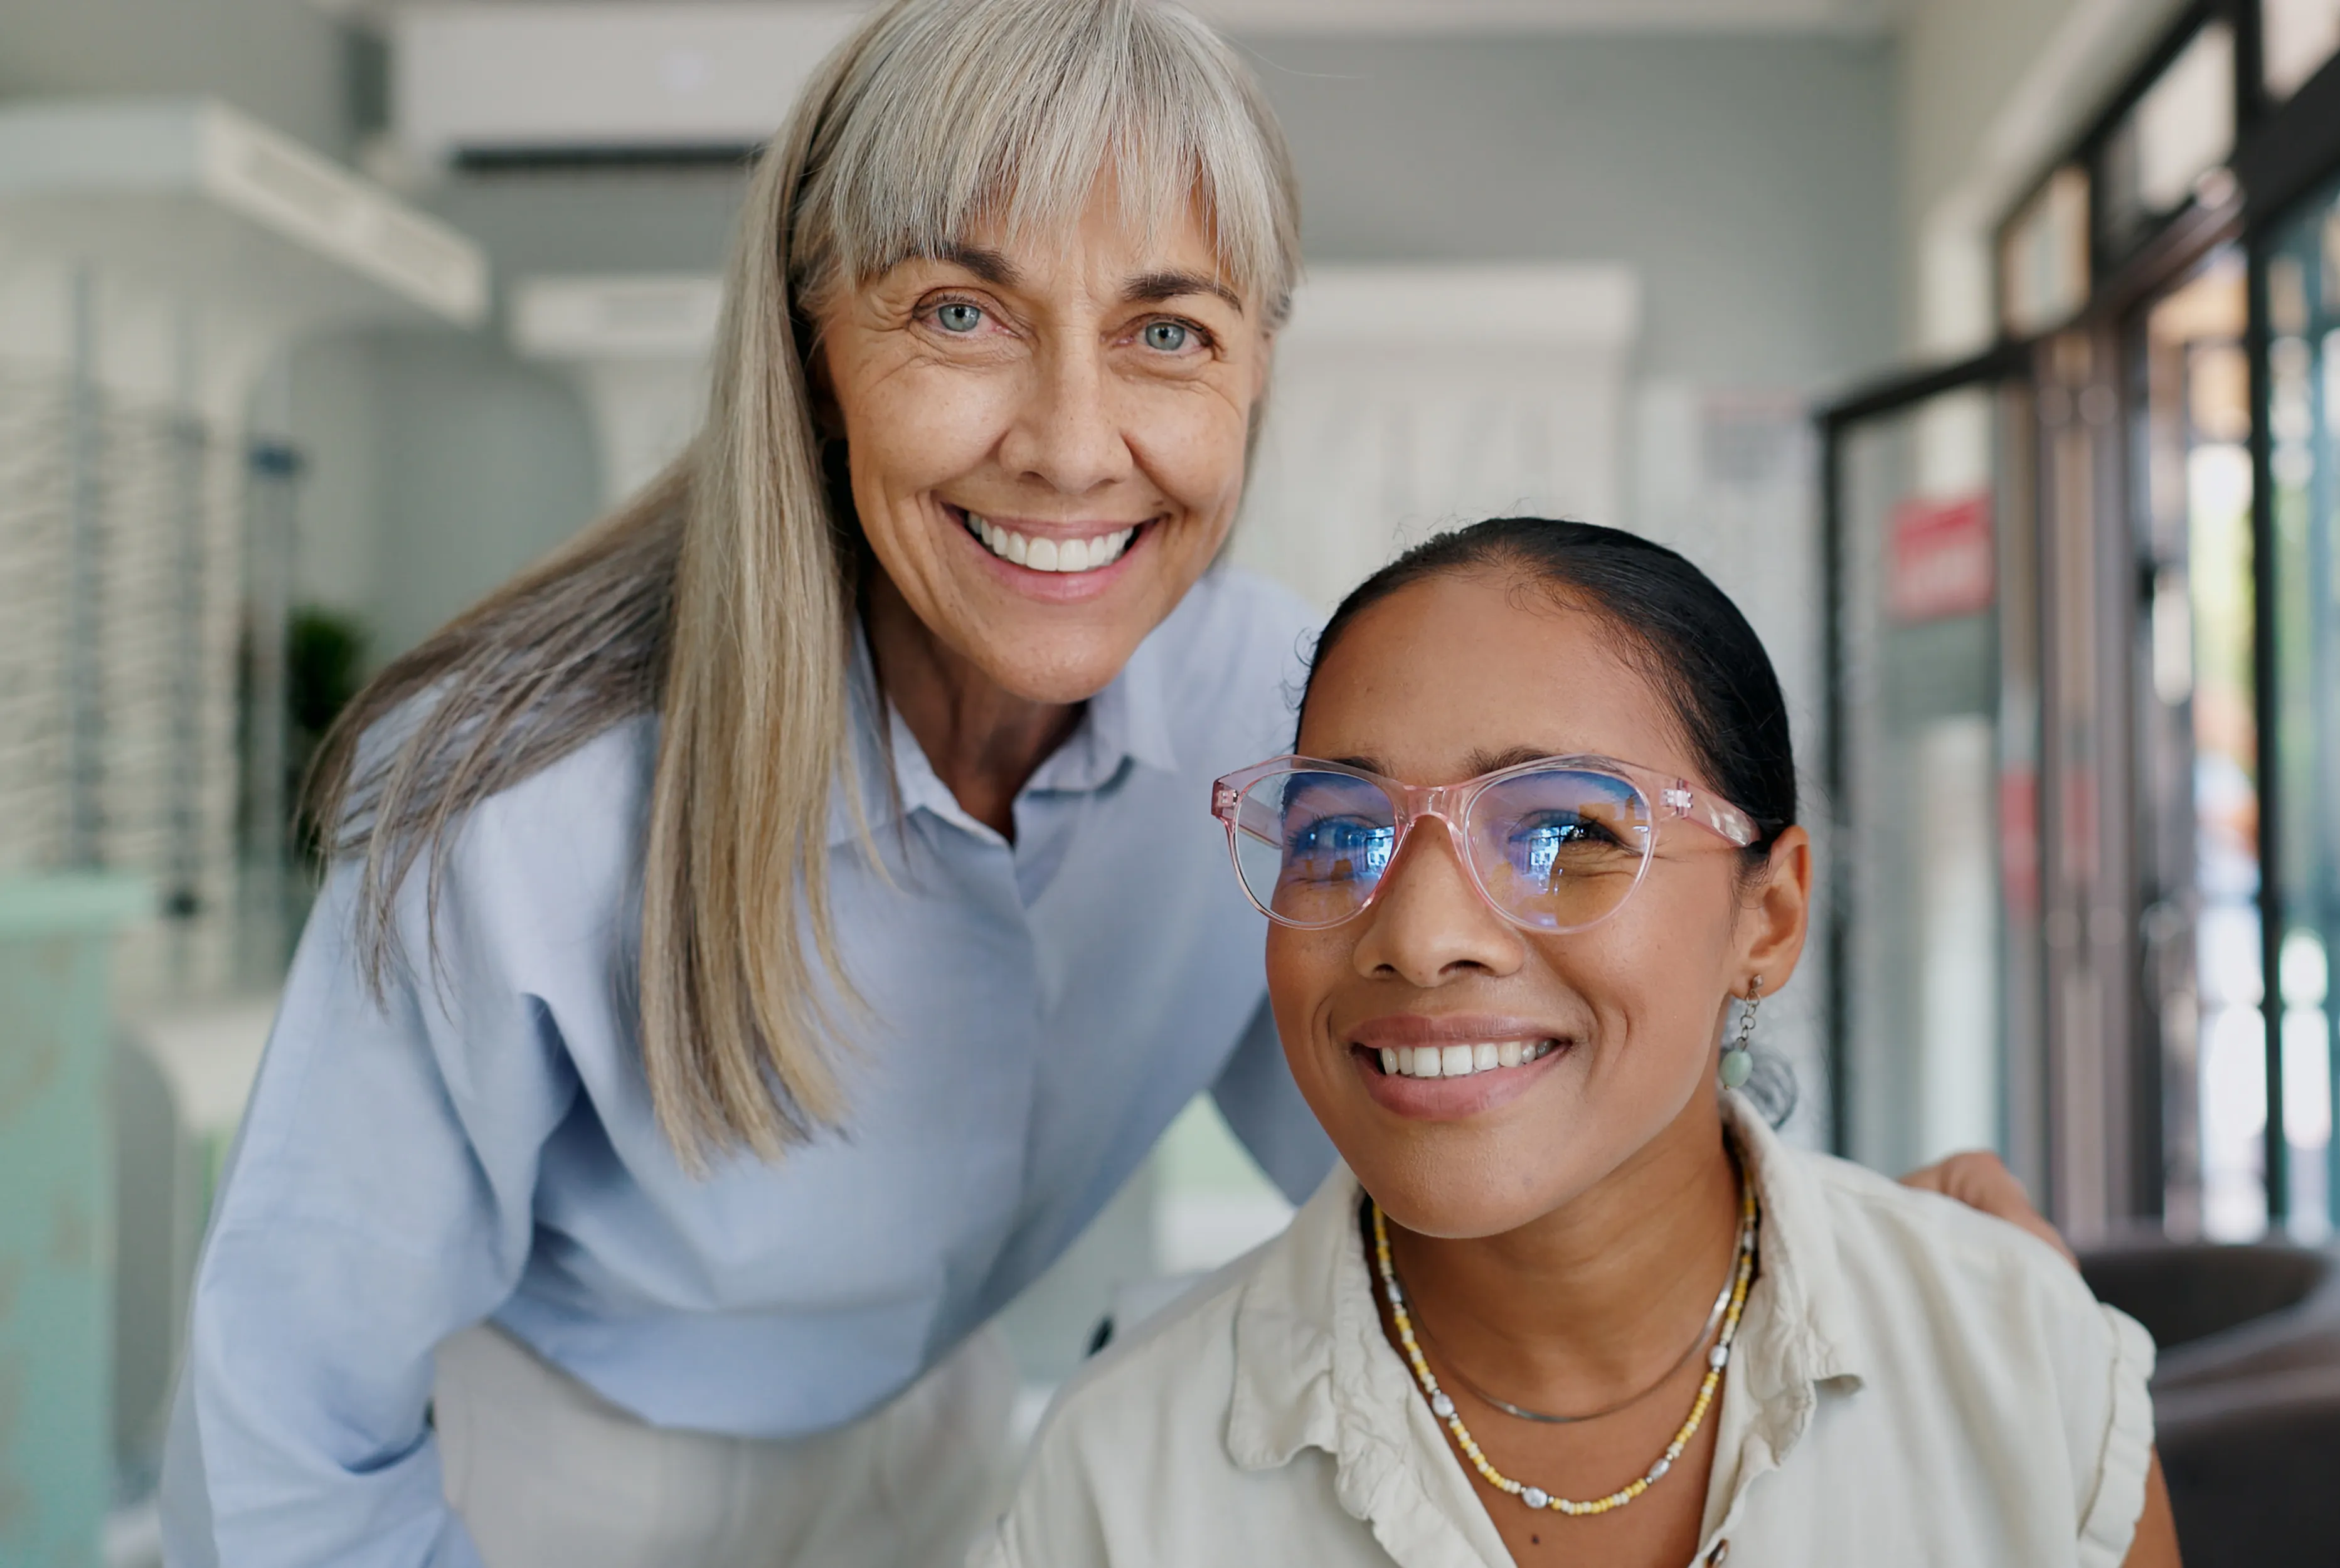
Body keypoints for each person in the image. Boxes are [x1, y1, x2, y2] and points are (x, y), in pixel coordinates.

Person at [162, 5, 2061, 1564]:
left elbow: (1442, 1127)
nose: (1074, 447)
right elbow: (283, 1426)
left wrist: (1854, 1267)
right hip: (551, 1474)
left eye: (1166, 330)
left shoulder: (1290, 734)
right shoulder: (523, 795)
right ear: (816, 350)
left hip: (951, 1438)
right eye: (960, 313)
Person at [985, 519, 2180, 1568]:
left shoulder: (2021, 1368)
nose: (1420, 936)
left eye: (1560, 832)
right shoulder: (1118, 1481)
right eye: (1341, 838)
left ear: (1766, 918)